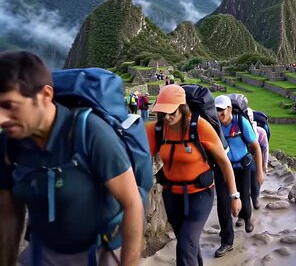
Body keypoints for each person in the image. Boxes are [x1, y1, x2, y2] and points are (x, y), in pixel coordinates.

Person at [0, 50, 144, 266]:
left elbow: (132, 203)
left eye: (10, 106)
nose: (1, 119)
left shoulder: (91, 134)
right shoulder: (9, 144)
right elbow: (8, 212)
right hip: (42, 254)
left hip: (97, 254)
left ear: (45, 95)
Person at [146, 84, 241, 266]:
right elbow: (137, 157)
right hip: (172, 196)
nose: (167, 117)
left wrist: (234, 196)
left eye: (171, 111)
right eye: (162, 112)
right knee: (186, 241)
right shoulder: (157, 130)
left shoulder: (200, 127)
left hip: (200, 194)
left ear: (182, 107)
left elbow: (223, 161)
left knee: (186, 245)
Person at [213, 95, 263, 255]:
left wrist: (260, 171)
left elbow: (256, 146)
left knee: (244, 195)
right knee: (222, 203)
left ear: (229, 109)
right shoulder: (215, 127)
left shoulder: (241, 123)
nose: (219, 114)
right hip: (222, 169)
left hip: (242, 166)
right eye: (216, 111)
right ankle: (227, 241)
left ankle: (246, 217)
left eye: (221, 110)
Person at [247, 108, 270, 210]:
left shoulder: (260, 132)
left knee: (255, 180)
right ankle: (244, 209)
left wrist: (264, 166)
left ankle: (255, 199)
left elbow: (265, 149)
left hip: (256, 157)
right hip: (243, 158)